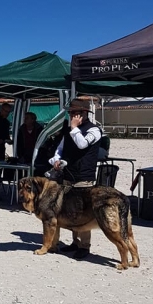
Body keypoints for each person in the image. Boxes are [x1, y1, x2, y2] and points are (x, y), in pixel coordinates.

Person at [49, 98, 102, 260]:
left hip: (84, 177)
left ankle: (84, 246)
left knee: (83, 212)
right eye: (72, 113)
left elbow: (82, 144)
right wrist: (55, 160)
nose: (73, 115)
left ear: (85, 114)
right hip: (68, 175)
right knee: (71, 212)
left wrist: (74, 128)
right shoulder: (69, 130)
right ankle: (75, 242)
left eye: (76, 113)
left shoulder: (94, 130)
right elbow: (60, 149)